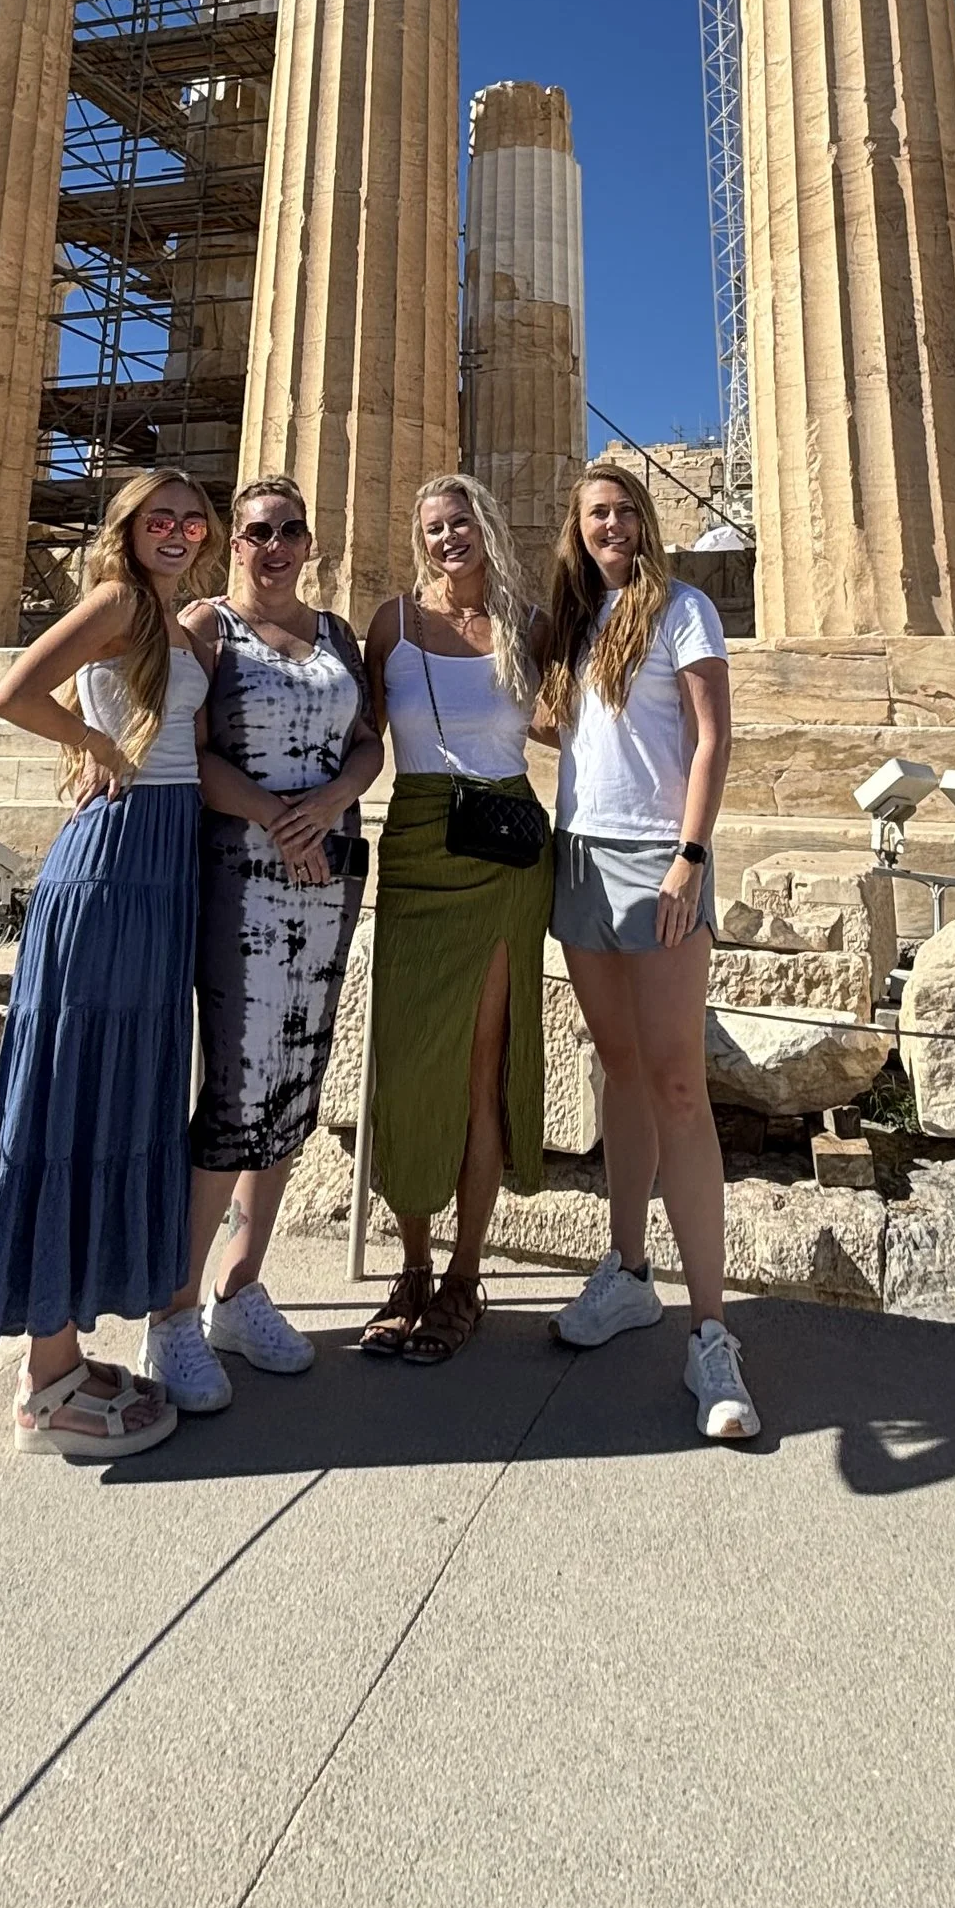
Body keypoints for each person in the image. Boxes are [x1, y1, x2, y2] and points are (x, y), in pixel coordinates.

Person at [0, 465, 223, 1459]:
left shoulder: (173, 619)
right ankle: (44, 1375)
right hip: (110, 868)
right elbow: (14, 693)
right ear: (128, 527)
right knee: (69, 1091)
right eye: (161, 518)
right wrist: (95, 746)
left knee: (123, 1093)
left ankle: (62, 1350)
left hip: (162, 866)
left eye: (194, 520)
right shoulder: (113, 599)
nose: (179, 531)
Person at [139, 473, 383, 1409]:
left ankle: (242, 1289)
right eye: (255, 532)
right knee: (236, 1089)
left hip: (329, 869)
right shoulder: (206, 626)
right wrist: (284, 816)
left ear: (308, 539)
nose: (272, 545)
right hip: (243, 871)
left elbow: (368, 738)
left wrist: (329, 806)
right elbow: (188, 752)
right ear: (229, 543)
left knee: (295, 1081)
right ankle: (173, 1313)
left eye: (287, 530)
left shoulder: (338, 634)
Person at [541, 462, 758, 1443]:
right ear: (576, 529)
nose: (613, 525)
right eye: (597, 514)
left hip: (658, 861)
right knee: (618, 1069)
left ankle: (711, 1333)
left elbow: (712, 737)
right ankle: (627, 1271)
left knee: (677, 1084)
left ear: (647, 521)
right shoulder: (576, 622)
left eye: (626, 510)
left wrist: (690, 857)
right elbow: (561, 731)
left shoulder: (681, 610)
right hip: (579, 854)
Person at [355, 473, 552, 1364]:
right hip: (416, 845)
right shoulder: (391, 623)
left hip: (504, 853)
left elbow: (584, 718)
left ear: (486, 526)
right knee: (407, 1064)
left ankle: (465, 1275)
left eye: (460, 522)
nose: (447, 538)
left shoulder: (525, 623)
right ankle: (412, 1265)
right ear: (418, 538)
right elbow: (358, 732)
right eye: (432, 526)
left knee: (478, 1065)